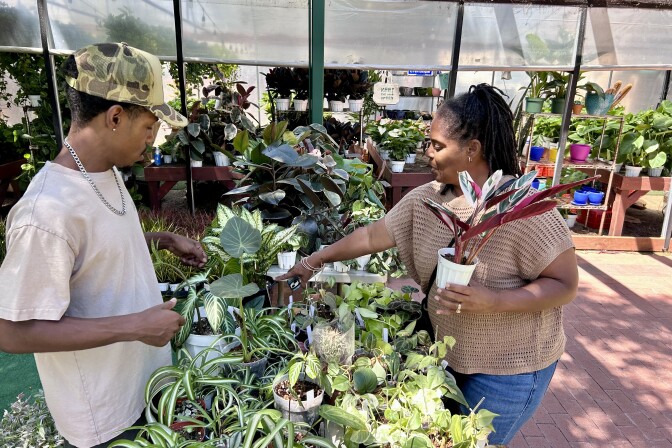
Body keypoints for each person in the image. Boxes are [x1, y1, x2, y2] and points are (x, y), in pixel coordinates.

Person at [277, 84, 578, 446]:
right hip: (447, 357)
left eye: (437, 145)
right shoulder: (426, 200)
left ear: (472, 150)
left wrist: (495, 302)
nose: (428, 153)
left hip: (511, 369)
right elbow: (373, 236)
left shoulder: (523, 211)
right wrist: (314, 261)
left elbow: (565, 285)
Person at [0, 42, 205, 447]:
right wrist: (135, 326)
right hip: (107, 419)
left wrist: (158, 240)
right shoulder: (46, 212)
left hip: (144, 386)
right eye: (149, 127)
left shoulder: (104, 172)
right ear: (115, 117)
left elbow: (89, 255)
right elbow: (12, 330)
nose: (152, 141)